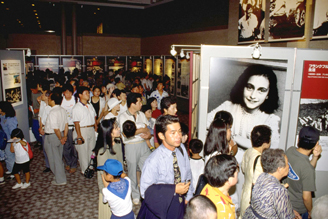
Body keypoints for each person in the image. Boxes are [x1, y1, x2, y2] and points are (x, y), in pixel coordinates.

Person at [207, 64, 280, 162]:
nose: (253, 96)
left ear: (268, 94)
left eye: (261, 90)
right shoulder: (227, 106)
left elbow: (272, 147)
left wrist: (236, 139)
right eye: (250, 87)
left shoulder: (271, 119)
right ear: (242, 87)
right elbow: (206, 123)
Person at [138, 115, 193, 219]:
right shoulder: (153, 161)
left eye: (180, 131)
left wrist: (188, 197)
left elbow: (188, 173)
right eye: (173, 133)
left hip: (181, 203)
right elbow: (145, 192)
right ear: (161, 136)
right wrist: (173, 189)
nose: (178, 136)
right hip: (163, 207)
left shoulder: (181, 149)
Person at [243, 149, 296, 219]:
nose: (288, 166)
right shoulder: (280, 191)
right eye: (287, 164)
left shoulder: (262, 177)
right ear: (279, 169)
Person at [118, 92, 151, 205]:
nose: (141, 104)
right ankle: (135, 195)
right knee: (132, 172)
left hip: (143, 144)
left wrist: (148, 135)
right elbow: (127, 134)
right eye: (139, 102)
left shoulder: (141, 114)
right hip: (131, 146)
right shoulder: (123, 116)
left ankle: (146, 192)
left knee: (147, 169)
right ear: (132, 103)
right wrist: (141, 130)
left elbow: (147, 128)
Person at [286, 126, 322, 219]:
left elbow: (307, 169)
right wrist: (311, 211)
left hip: (285, 205)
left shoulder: (290, 151)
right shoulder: (307, 168)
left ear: (298, 139)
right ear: (316, 144)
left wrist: (315, 157)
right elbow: (306, 197)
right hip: (299, 211)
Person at [93, 119, 124, 219]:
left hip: (118, 183)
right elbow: (104, 178)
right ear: (109, 132)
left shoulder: (118, 143)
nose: (119, 129)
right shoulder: (103, 151)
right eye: (116, 128)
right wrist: (112, 194)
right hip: (110, 189)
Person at [240, 125, 272, 217]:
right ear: (265, 142)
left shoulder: (248, 151)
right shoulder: (260, 159)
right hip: (253, 201)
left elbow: (243, 169)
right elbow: (259, 183)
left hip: (245, 196)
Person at [200, 154, 239, 219]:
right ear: (229, 180)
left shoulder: (208, 187)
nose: (237, 172)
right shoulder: (223, 210)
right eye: (236, 170)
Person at [44, 91, 68, 186]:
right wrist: (64, 136)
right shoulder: (62, 110)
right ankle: (59, 176)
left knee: (54, 158)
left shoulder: (53, 112)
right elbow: (66, 125)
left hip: (53, 136)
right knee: (58, 157)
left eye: (49, 99)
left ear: (53, 101)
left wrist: (61, 138)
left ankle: (60, 179)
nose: (48, 100)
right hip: (60, 134)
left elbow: (55, 128)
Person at [72, 86, 97, 174]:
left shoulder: (89, 105)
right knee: (83, 151)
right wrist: (79, 135)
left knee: (91, 149)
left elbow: (94, 117)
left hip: (91, 128)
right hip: (82, 130)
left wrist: (95, 128)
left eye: (88, 93)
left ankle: (90, 167)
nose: (88, 95)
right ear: (80, 95)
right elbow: (76, 123)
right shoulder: (77, 107)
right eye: (86, 93)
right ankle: (84, 170)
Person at [61, 83, 78, 174]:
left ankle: (74, 164)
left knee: (74, 147)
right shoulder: (61, 100)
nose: (68, 94)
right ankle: (68, 162)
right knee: (65, 146)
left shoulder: (75, 100)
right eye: (66, 92)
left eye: (69, 92)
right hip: (64, 126)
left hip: (73, 126)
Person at [0, 101, 18, 177]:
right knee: (7, 157)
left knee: (11, 157)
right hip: (4, 141)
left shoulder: (10, 120)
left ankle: (15, 172)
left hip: (9, 141)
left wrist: (12, 145)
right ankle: (10, 169)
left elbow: (13, 133)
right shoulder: (2, 117)